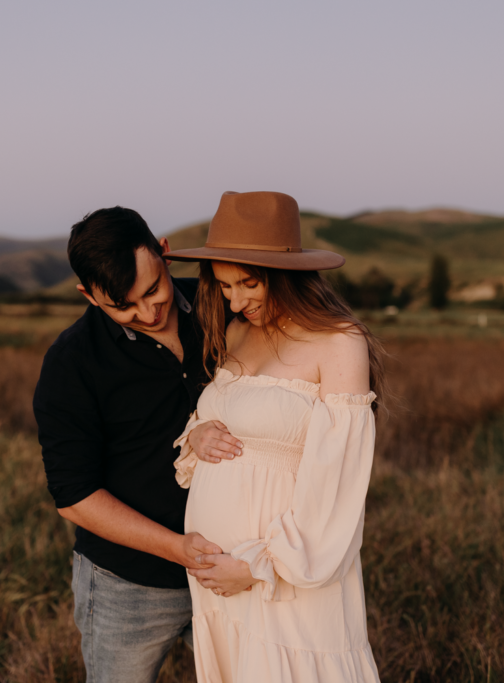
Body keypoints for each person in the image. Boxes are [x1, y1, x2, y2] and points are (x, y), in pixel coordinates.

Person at [167, 191, 384, 682]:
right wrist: (197, 435)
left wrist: (257, 566)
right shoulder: (237, 331)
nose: (236, 301)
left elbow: (339, 479)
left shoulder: (339, 340)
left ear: (288, 275)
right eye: (224, 287)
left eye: (249, 284)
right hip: (218, 583)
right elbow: (229, 418)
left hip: (283, 576)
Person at [32, 206, 239, 683]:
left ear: (164, 253)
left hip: (233, 565)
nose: (147, 312)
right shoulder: (71, 364)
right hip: (128, 585)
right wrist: (179, 549)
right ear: (87, 294)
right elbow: (76, 499)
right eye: (123, 306)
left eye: (153, 290)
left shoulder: (220, 308)